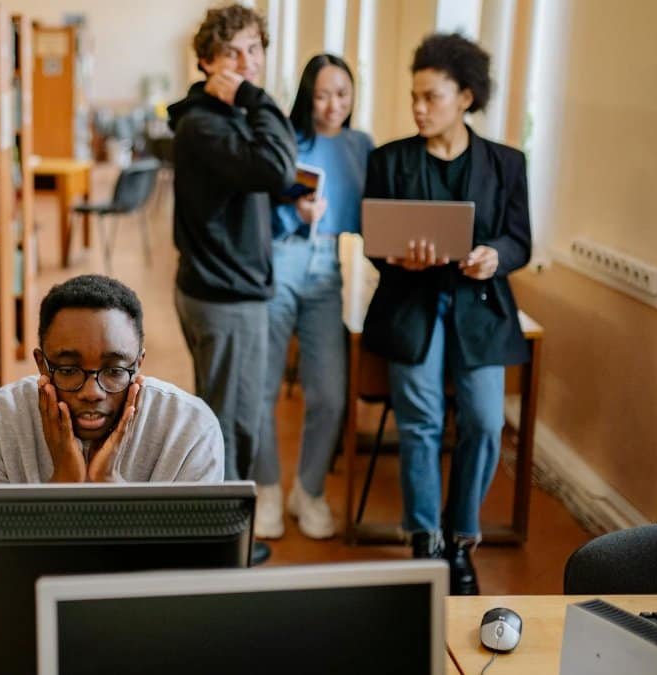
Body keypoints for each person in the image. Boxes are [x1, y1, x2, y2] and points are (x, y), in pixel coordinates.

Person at [363, 34, 532, 595]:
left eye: (430, 97)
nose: (418, 108)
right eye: (414, 96)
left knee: (484, 422)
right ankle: (425, 541)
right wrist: (397, 257)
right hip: (411, 308)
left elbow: (519, 241)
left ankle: (462, 540)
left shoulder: (507, 164)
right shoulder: (388, 160)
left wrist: (495, 257)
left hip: (478, 310)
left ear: (464, 97)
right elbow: (373, 242)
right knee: (421, 424)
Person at [167, 4, 297, 489]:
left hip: (223, 287)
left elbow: (256, 180)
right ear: (206, 62)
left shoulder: (220, 118)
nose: (246, 62)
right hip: (225, 295)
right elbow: (278, 167)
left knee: (227, 415)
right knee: (230, 423)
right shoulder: (206, 123)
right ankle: (223, 544)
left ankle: (220, 537)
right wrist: (256, 97)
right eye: (231, 53)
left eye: (254, 50)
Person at [253, 54, 374, 540]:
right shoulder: (283, 136)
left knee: (328, 391)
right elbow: (256, 201)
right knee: (261, 387)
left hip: (329, 266)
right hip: (279, 258)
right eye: (323, 94)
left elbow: (372, 211)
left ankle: (309, 489)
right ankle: (265, 488)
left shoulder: (360, 146)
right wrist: (292, 208)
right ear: (307, 95)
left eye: (342, 94)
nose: (333, 105)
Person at [0, 275, 224, 484]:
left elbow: (192, 555)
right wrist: (63, 482)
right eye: (68, 369)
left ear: (138, 365)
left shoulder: (191, 428)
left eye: (115, 371)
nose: (92, 392)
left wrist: (109, 483)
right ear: (42, 365)